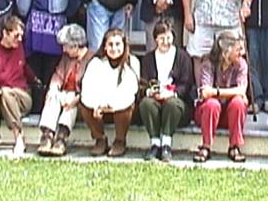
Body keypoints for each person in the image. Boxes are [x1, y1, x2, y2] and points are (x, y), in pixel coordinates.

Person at [139, 20, 194, 162]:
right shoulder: (148, 59)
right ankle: (155, 144)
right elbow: (143, 84)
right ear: (155, 39)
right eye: (162, 38)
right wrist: (151, 92)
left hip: (177, 102)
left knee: (172, 104)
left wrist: (171, 93)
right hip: (156, 100)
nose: (166, 42)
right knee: (146, 103)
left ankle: (166, 144)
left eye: (169, 37)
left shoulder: (183, 57)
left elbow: (187, 84)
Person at [80, 28, 140, 157]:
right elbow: (87, 88)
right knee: (84, 106)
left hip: (121, 109)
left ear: (124, 45)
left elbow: (130, 91)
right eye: (110, 44)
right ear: (105, 46)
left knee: (126, 107)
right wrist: (97, 105)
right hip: (99, 110)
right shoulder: (96, 63)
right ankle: (100, 139)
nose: (114, 48)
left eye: (118, 44)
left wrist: (111, 106)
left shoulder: (132, 62)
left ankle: (120, 141)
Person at [36, 24, 94, 156]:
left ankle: (61, 138)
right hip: (65, 94)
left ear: (76, 45)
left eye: (66, 46)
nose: (64, 49)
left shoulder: (92, 59)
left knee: (70, 101)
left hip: (81, 99)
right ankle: (47, 135)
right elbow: (58, 76)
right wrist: (53, 89)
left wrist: (75, 100)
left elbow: (90, 87)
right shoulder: (66, 58)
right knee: (53, 96)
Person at [192, 30, 248, 163]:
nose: (241, 53)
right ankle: (206, 146)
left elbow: (242, 90)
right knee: (212, 104)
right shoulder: (208, 63)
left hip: (229, 115)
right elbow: (205, 93)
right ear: (226, 52)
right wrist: (232, 92)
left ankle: (234, 146)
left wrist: (215, 92)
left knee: (238, 103)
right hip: (208, 114)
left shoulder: (241, 64)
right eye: (238, 50)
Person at [0, 16, 40, 155]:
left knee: (6, 92)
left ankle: (19, 136)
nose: (20, 39)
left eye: (21, 36)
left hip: (22, 96)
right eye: (16, 35)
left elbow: (23, 67)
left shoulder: (19, 48)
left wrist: (35, 80)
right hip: (2, 98)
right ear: (5, 33)